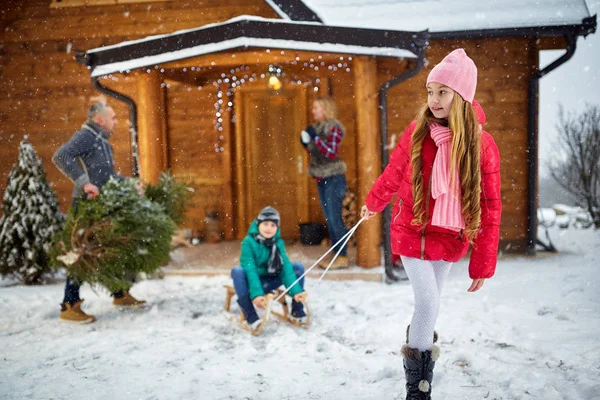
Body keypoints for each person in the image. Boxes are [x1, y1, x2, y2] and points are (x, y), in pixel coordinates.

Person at [360, 49, 501, 399]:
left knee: (431, 305)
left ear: (463, 97)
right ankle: (418, 388)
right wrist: (373, 203)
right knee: (428, 304)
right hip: (413, 230)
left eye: (443, 92)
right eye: (430, 91)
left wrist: (482, 263)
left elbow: (489, 206)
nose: (434, 99)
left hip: (450, 238)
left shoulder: (482, 146)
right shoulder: (418, 132)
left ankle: (417, 344)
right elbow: (394, 173)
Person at [52, 102, 147, 324]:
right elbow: (61, 156)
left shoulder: (103, 143)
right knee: (82, 253)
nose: (116, 121)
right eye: (113, 117)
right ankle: (69, 305)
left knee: (110, 247)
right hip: (85, 205)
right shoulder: (86, 136)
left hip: (101, 204)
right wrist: (84, 183)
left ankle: (119, 293)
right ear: (100, 120)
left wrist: (130, 184)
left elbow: (106, 176)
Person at [231, 206, 308, 331]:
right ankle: (250, 315)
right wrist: (257, 294)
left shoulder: (278, 243)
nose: (269, 228)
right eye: (265, 224)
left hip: (272, 279)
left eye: (273, 225)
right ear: (258, 224)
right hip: (254, 283)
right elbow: (250, 268)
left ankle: (297, 310)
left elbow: (285, 268)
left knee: (297, 267)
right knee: (237, 271)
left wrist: (296, 291)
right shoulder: (248, 242)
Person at [300, 96, 350, 269]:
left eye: (316, 108)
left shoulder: (334, 128)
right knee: (330, 218)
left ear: (325, 109)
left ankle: (342, 256)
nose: (313, 111)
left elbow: (330, 153)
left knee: (335, 218)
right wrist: (307, 144)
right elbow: (318, 154)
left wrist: (315, 139)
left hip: (334, 178)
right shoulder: (318, 128)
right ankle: (337, 254)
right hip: (322, 177)